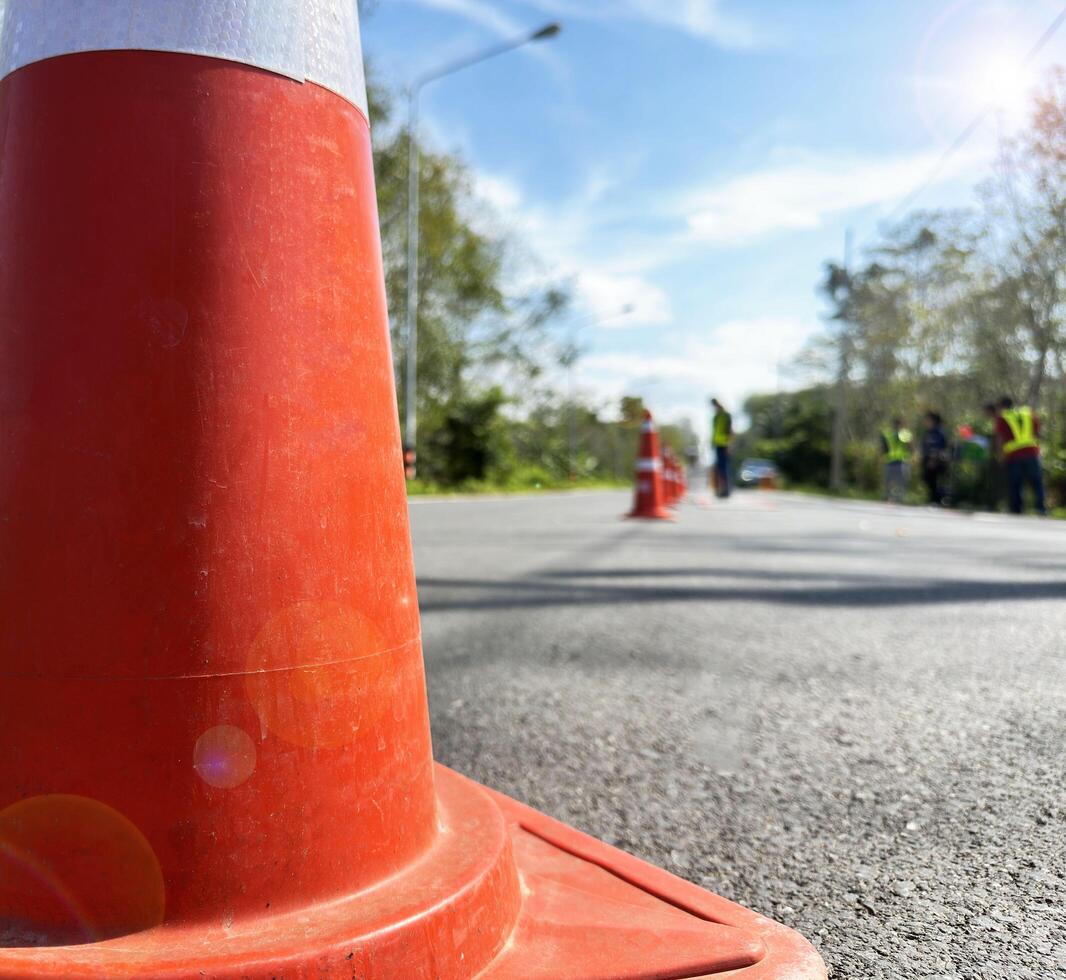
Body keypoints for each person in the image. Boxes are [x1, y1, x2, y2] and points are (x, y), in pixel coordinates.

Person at [993, 397, 1047, 516]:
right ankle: (1042, 509)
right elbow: (1039, 432)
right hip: (1032, 453)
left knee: (1016, 483)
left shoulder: (1003, 417)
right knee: (1037, 483)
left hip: (1014, 455)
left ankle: (1017, 510)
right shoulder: (1027, 413)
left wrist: (1000, 455)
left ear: (1002, 406)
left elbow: (1000, 439)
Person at [880, 418, 913, 503]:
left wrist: (909, 456)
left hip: (902, 460)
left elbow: (910, 446)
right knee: (888, 480)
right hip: (890, 460)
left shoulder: (905, 434)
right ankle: (887, 496)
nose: (896, 426)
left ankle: (900, 498)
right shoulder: (888, 433)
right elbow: (884, 445)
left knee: (901, 481)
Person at [920, 411, 949, 506]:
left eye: (927, 419)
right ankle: (933, 499)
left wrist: (933, 460)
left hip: (936, 461)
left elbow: (939, 447)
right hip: (927, 459)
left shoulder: (938, 432)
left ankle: (937, 500)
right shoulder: (928, 432)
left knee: (934, 480)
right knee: (927, 479)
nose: (925, 421)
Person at [710, 397, 733, 498]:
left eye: (716, 405)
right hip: (717, 445)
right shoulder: (715, 417)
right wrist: (712, 443)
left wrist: (728, 444)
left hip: (724, 445)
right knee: (719, 468)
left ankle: (726, 489)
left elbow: (730, 430)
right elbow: (714, 431)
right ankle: (720, 488)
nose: (715, 407)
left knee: (724, 468)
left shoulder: (726, 415)